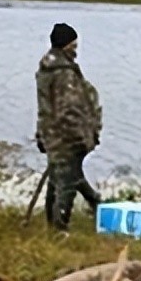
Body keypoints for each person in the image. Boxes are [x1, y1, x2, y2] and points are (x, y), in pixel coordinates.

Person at [36, 22, 103, 230]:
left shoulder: (47, 68)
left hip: (51, 134)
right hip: (66, 137)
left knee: (61, 177)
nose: (76, 49)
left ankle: (96, 205)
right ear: (67, 45)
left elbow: (46, 107)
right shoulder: (64, 73)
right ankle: (59, 229)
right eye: (74, 44)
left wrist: (41, 133)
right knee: (65, 185)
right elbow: (69, 109)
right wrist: (81, 138)